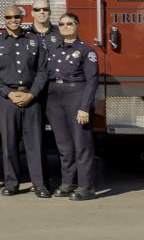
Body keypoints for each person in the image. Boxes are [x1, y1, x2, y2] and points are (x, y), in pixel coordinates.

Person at [0, 6, 50, 197]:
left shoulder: (34, 40)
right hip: (7, 100)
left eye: (16, 16)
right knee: (9, 143)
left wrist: (32, 94)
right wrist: (8, 93)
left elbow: (42, 70)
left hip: (31, 98)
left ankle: (39, 184)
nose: (13, 20)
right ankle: (11, 183)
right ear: (4, 19)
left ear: (22, 18)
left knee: (35, 144)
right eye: (9, 17)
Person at [44, 13, 100, 201]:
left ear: (77, 25)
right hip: (54, 97)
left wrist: (84, 107)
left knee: (81, 143)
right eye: (62, 24)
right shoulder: (52, 48)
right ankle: (68, 182)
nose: (65, 26)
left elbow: (92, 81)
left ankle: (86, 187)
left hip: (76, 95)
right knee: (63, 145)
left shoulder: (86, 50)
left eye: (70, 23)